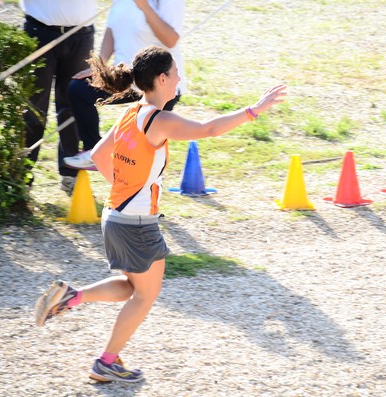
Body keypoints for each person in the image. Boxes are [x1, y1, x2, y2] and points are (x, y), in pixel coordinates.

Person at [34, 45, 287, 383]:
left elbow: (97, 154)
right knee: (146, 295)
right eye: (176, 72)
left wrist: (123, 186)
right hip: (135, 221)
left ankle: (72, 297)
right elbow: (209, 129)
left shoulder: (131, 113)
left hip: (116, 215)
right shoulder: (159, 119)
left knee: (132, 286)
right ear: (163, 78)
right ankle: (106, 361)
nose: (180, 77)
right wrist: (254, 111)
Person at [63, 0, 186, 171]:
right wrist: (100, 67)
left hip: (159, 84)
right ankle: (94, 152)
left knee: (139, 157)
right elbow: (111, 29)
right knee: (79, 89)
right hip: (127, 77)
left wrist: (144, 6)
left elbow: (171, 39)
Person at [20, 0, 97, 194]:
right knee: (33, 106)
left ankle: (70, 173)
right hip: (39, 30)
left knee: (73, 103)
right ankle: (22, 174)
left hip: (81, 33)